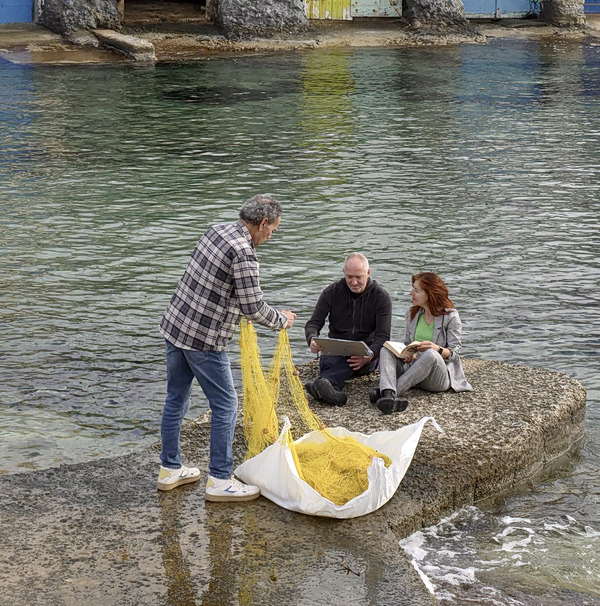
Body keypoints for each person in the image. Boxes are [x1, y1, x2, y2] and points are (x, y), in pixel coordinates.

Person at [158, 194, 296, 502]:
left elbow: (211, 284)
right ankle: (220, 479)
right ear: (262, 223)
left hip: (175, 326)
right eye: (273, 229)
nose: (271, 236)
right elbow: (255, 308)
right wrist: (283, 320)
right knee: (226, 405)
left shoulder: (216, 230)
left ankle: (169, 469)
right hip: (204, 341)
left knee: (175, 398)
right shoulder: (244, 253)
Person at [371, 271, 472, 414]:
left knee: (431, 354)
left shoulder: (450, 317)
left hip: (436, 378)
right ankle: (388, 393)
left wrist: (436, 348)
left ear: (430, 294)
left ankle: (389, 393)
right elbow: (408, 342)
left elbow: (454, 354)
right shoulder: (412, 314)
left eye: (416, 290)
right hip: (414, 372)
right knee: (385, 349)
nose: (411, 293)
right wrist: (409, 352)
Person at [303, 253, 392, 406]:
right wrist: (312, 338)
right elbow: (314, 323)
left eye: (359, 277)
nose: (354, 282)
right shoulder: (331, 292)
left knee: (346, 361)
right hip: (337, 349)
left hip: (366, 353)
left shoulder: (381, 297)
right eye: (349, 277)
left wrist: (369, 355)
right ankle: (331, 389)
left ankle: (324, 383)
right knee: (328, 357)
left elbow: (383, 336)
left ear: (368, 273)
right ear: (343, 272)